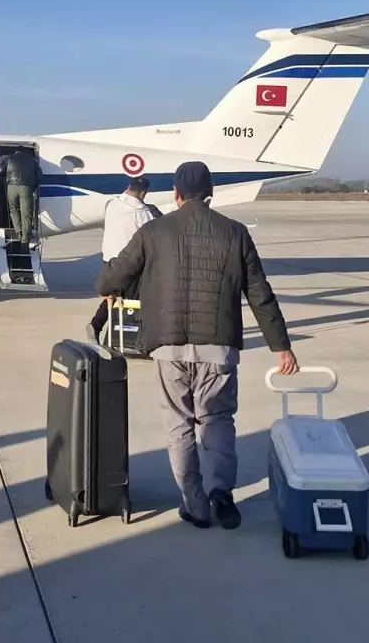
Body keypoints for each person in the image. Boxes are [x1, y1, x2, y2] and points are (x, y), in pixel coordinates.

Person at [97, 160, 298, 530]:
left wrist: (110, 282)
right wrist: (280, 346)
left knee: (179, 424)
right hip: (218, 346)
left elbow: (113, 276)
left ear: (175, 194)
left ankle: (195, 505)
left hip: (168, 346)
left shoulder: (153, 230)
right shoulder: (235, 233)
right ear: (210, 193)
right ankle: (222, 491)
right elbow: (260, 294)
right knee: (218, 418)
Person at [88, 175, 157, 342]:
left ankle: (96, 326)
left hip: (108, 259)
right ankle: (131, 338)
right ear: (142, 194)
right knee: (136, 298)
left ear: (128, 187)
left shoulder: (111, 205)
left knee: (111, 295)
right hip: (127, 262)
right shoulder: (143, 214)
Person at [0, 148, 41, 245]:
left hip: (11, 187)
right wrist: (33, 185)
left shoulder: (9, 158)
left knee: (13, 210)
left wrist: (7, 176)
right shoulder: (32, 160)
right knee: (26, 213)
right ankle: (25, 239)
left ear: (16, 152)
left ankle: (19, 233)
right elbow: (40, 175)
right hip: (26, 188)